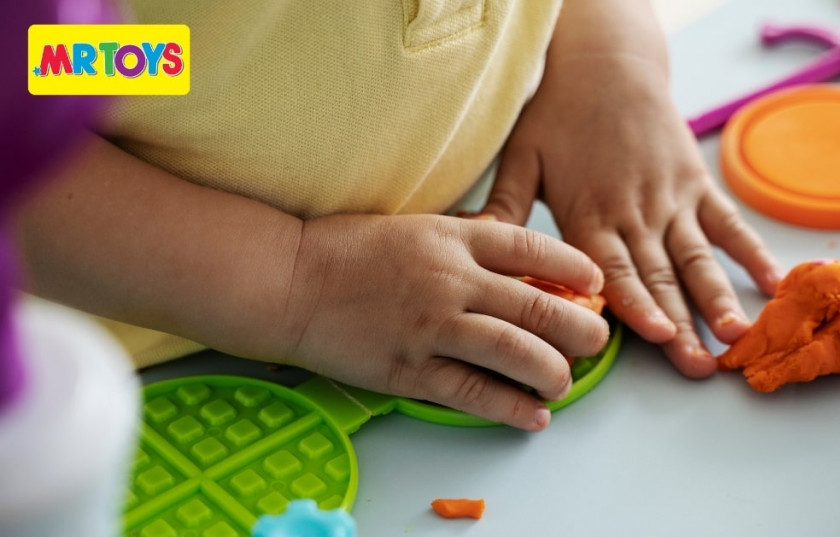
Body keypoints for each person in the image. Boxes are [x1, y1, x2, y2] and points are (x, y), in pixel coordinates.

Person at [15, 0, 782, 431]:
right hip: (95, 390)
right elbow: (29, 93)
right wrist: (296, 283)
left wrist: (605, 58)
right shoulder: (104, 41)